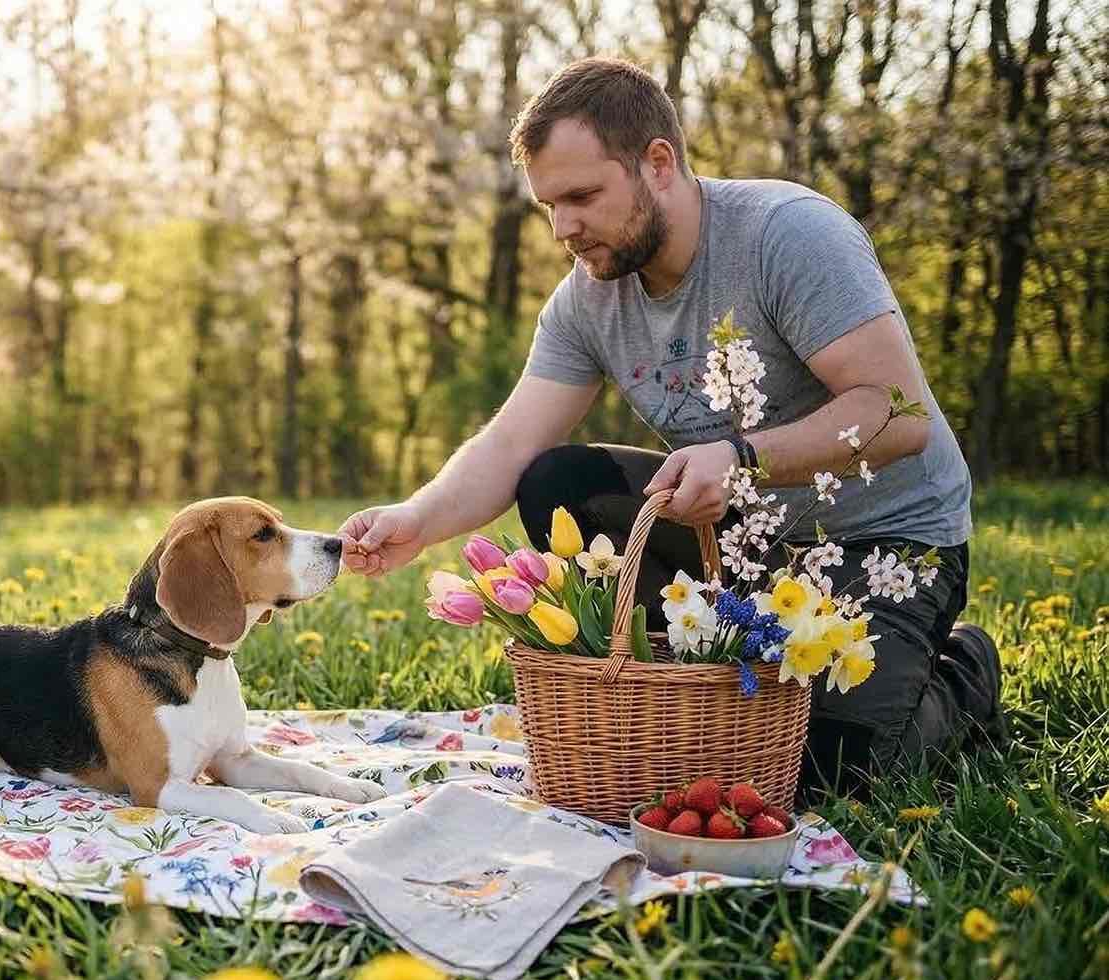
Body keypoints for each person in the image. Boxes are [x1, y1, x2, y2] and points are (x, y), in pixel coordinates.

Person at [340, 57, 1004, 794]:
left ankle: (964, 675)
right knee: (560, 480)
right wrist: (416, 518)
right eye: (549, 207)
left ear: (659, 163)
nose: (564, 227)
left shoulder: (790, 235)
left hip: (889, 540)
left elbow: (897, 412)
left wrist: (741, 457)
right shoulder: (586, 300)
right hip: (733, 544)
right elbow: (509, 442)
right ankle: (700, 675)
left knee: (815, 774)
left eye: (583, 196)